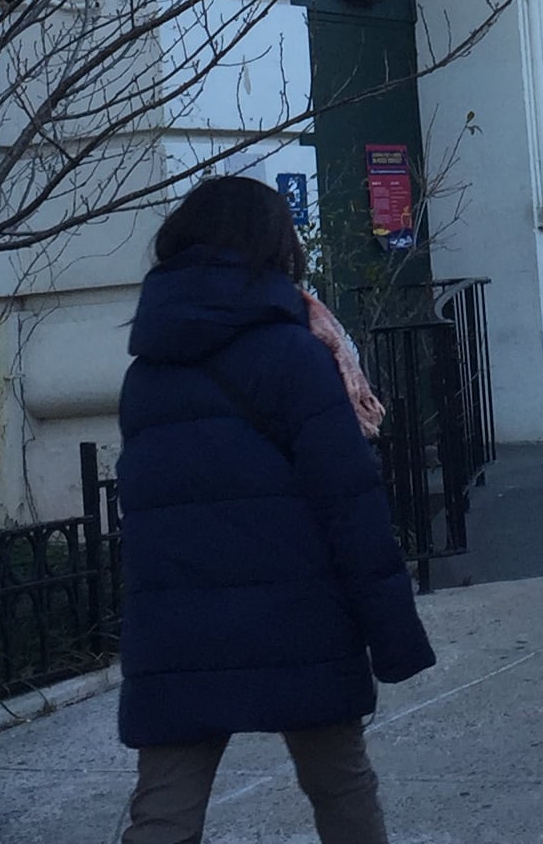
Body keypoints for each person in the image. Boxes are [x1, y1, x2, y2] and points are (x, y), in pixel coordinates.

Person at [114, 175, 435, 844]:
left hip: (180, 623)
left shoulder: (148, 368)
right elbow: (349, 502)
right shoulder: (295, 354)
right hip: (300, 616)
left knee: (165, 808)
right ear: (274, 246)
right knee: (342, 788)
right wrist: (393, 633)